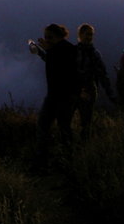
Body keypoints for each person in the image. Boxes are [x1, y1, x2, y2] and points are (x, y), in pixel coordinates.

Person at [30, 23, 80, 169]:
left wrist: (47, 50)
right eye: (45, 37)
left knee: (57, 128)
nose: (46, 40)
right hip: (57, 95)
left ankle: (63, 162)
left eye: (49, 37)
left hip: (63, 96)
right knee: (52, 127)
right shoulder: (61, 49)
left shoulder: (67, 49)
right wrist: (41, 52)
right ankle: (56, 161)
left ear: (58, 36)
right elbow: (53, 61)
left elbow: (62, 67)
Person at [75, 23, 115, 139]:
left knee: (86, 122)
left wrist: (110, 94)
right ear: (80, 35)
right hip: (75, 89)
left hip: (89, 90)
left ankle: (82, 147)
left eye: (91, 35)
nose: (89, 37)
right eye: (87, 34)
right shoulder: (74, 52)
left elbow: (103, 75)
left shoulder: (94, 54)